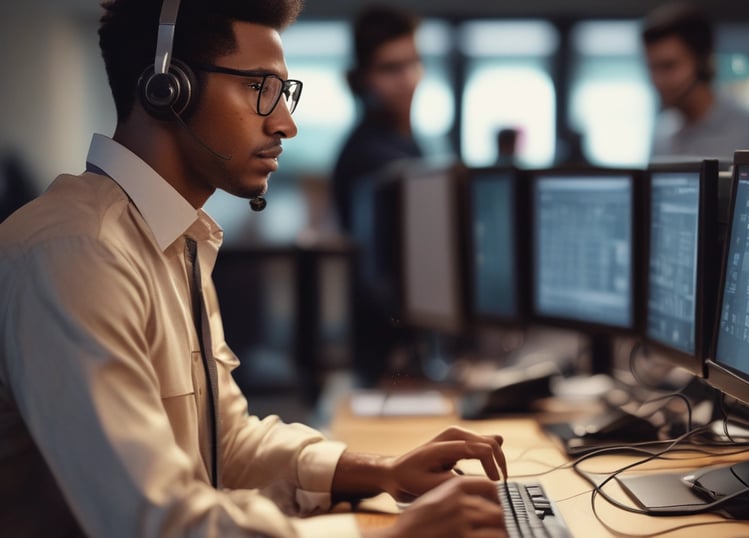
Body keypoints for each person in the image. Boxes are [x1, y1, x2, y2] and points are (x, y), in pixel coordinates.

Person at [0, 1, 509, 537]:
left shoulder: (178, 238)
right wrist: (385, 535)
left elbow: (226, 445)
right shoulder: (78, 254)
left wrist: (379, 470)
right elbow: (155, 523)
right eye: (259, 87)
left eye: (284, 92)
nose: (285, 123)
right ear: (168, 88)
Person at [331, 5, 426, 387]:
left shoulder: (404, 145)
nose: (407, 79)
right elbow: (381, 274)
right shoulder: (373, 157)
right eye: (390, 68)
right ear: (362, 79)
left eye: (413, 63)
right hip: (389, 356)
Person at [642, 2, 749, 162]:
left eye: (669, 66)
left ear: (702, 62)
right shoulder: (661, 136)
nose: (657, 80)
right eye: (652, 68)